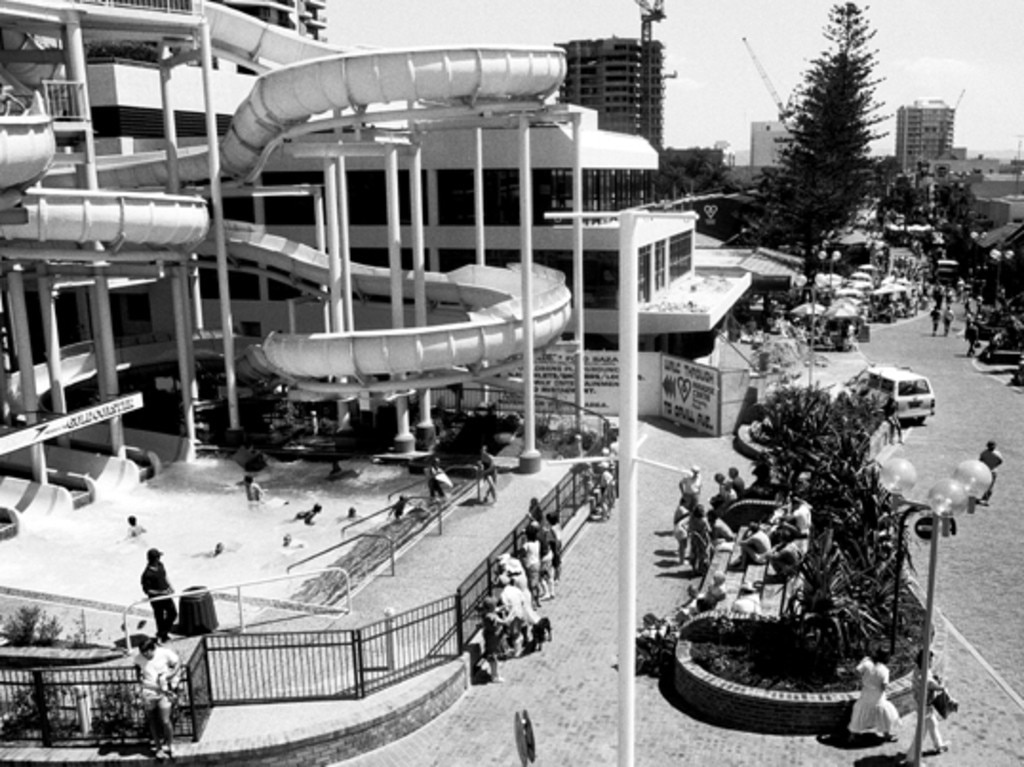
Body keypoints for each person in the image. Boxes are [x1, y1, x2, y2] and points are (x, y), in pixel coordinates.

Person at [133, 637, 181, 761]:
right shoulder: (139, 658)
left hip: (163, 691)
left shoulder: (164, 653)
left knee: (165, 720)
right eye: (143, 653)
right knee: (152, 720)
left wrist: (171, 674)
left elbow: (177, 662)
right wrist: (140, 680)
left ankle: (170, 745)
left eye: (147, 653)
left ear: (152, 649)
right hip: (149, 692)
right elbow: (137, 667)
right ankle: (158, 748)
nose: (145, 655)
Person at [902, 650, 948, 762]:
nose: (932, 662)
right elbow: (936, 686)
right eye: (931, 660)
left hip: (922, 704)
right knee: (921, 733)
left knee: (932, 724)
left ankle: (939, 745)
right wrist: (941, 684)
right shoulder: (925, 676)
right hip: (924, 706)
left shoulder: (919, 670)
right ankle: (911, 758)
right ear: (926, 661)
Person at [847, 648, 901, 743]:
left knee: (859, 713)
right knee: (885, 715)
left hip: (866, 694)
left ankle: (852, 736)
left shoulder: (867, 663)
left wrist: (864, 680)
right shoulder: (884, 670)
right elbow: (884, 687)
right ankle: (886, 735)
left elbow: (856, 672)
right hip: (878, 697)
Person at [140, 549, 177, 643]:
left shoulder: (161, 565)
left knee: (173, 613)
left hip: (166, 595)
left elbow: (165, 576)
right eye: (158, 557)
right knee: (159, 617)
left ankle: (161, 633)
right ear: (155, 559)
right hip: (157, 599)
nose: (159, 558)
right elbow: (148, 591)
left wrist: (171, 586)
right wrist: (161, 593)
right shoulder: (147, 574)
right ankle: (163, 635)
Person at [477, 596, 507, 683]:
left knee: (493, 656)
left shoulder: (486, 613)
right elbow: (501, 621)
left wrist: (502, 608)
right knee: (494, 658)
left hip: (490, 637)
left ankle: (495, 673)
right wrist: (508, 617)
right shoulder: (490, 617)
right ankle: (495, 676)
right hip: (493, 638)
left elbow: (496, 610)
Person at [686, 504, 712, 575]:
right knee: (702, 554)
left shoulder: (692, 518)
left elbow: (689, 529)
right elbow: (709, 529)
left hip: (694, 538)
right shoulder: (704, 520)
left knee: (694, 553)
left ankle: (694, 569)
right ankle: (701, 569)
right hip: (703, 538)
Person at [978, 440, 1003, 505]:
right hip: (991, 471)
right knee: (989, 486)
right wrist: (995, 465)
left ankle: (984, 499)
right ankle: (984, 500)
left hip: (986, 471)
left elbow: (980, 460)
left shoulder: (984, 453)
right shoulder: (997, 454)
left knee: (987, 485)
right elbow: (1000, 461)